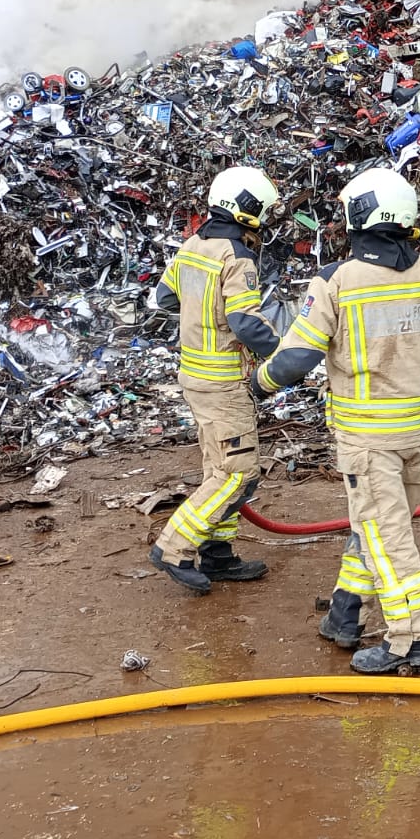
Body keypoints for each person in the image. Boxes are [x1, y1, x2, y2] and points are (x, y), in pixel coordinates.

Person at [252, 168, 420, 674]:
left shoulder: (338, 281)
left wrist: (257, 383)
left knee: (389, 541)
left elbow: (294, 362)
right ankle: (346, 613)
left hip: (369, 438)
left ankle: (414, 639)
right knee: (379, 528)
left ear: (359, 215)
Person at [149, 167, 283, 594]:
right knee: (237, 475)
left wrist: (200, 314)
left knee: (219, 467)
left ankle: (218, 555)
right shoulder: (235, 256)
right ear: (247, 209)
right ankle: (174, 546)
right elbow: (246, 323)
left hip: (194, 375)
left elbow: (165, 297)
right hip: (224, 381)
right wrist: (284, 353)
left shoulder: (193, 245)